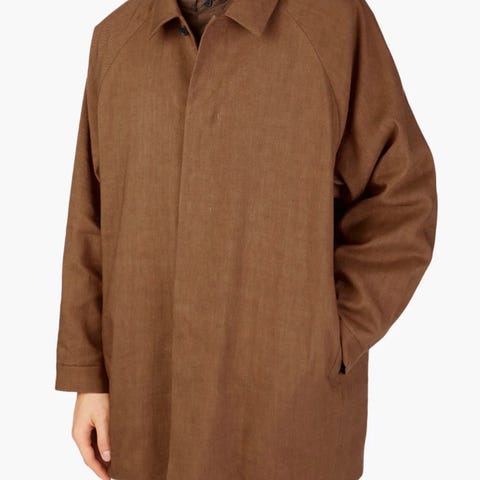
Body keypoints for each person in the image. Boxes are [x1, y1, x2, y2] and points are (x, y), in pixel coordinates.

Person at [54, 0, 438, 479]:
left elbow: (402, 195)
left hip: (284, 412)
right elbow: (89, 220)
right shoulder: (115, 39)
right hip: (145, 400)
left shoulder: (335, 22)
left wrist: (332, 333)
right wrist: (88, 377)